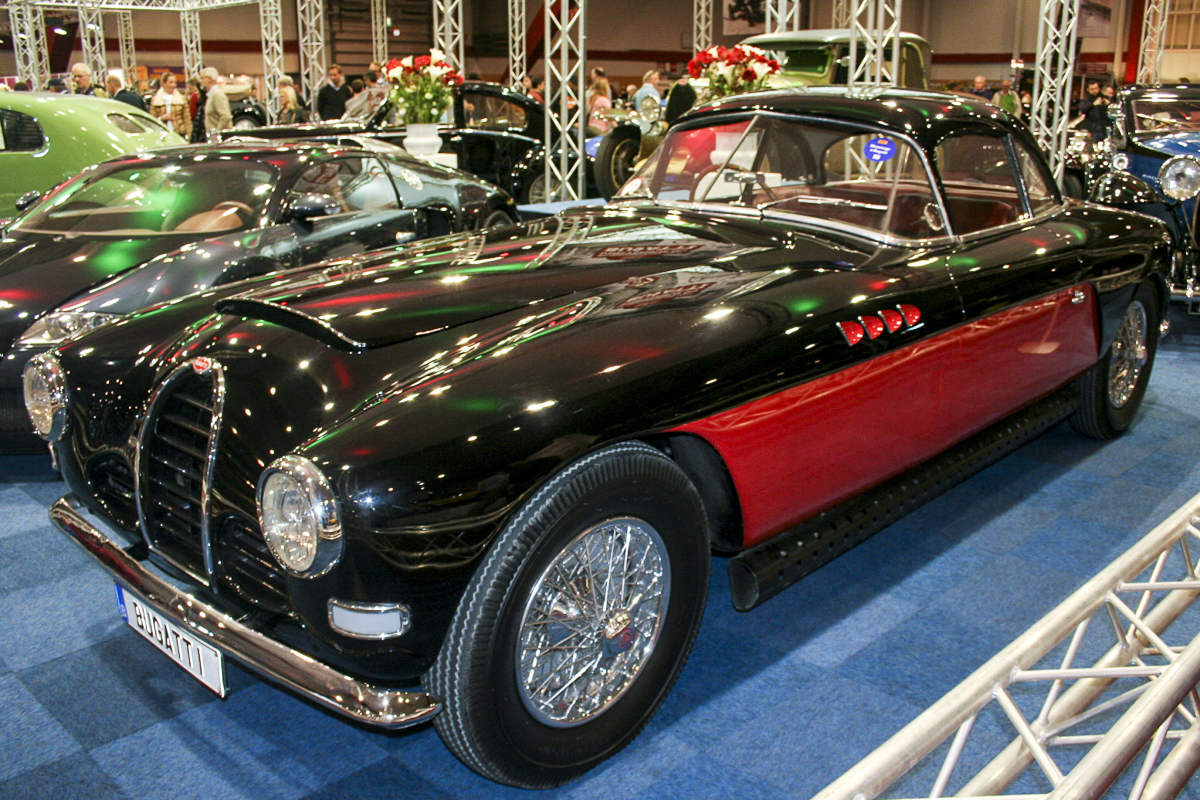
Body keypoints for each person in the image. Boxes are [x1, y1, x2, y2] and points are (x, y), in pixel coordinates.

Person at [150, 72, 192, 139]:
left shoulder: (182, 99)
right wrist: (161, 118)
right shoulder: (156, 100)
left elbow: (187, 119)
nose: (173, 85)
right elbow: (151, 119)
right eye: (171, 82)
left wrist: (189, 135)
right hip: (162, 134)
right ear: (164, 83)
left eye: (175, 82)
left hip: (179, 134)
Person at [200, 66, 231, 139]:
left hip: (219, 139)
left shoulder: (217, 95)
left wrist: (216, 133)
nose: (200, 81)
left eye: (202, 78)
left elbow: (226, 116)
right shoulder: (211, 95)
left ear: (209, 79)